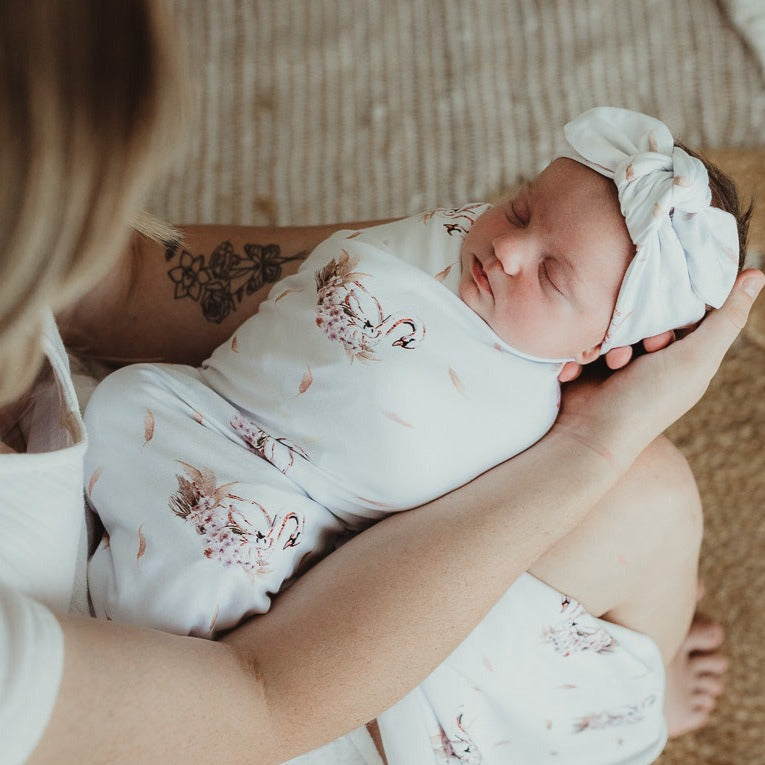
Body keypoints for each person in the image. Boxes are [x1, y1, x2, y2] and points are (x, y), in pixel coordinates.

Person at [0, 3, 761, 764]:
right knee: (643, 490)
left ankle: (646, 660)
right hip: (236, 688)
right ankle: (639, 699)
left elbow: (129, 279)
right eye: (518, 210)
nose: (504, 247)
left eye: (552, 269)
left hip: (283, 549)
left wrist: (441, 247)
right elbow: (259, 701)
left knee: (649, 493)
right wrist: (596, 440)